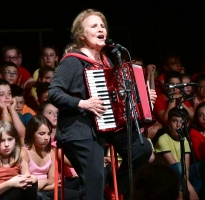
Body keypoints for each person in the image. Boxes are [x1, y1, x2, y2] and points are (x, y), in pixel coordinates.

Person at [48, 9, 155, 199]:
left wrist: (142, 98)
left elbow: (116, 98)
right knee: (94, 174)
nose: (101, 29)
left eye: (102, 25)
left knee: (142, 148)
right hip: (79, 129)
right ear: (81, 35)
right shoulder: (72, 62)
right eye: (94, 26)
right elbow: (54, 93)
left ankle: (114, 188)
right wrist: (82, 103)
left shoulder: (106, 61)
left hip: (106, 125)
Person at [21, 115, 79, 200]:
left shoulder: (51, 151)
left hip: (47, 188)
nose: (46, 138)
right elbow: (28, 184)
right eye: (41, 134)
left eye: (48, 134)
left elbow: (52, 179)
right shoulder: (24, 153)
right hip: (32, 193)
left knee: (79, 195)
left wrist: (44, 182)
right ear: (31, 134)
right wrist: (49, 185)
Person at [0, 121, 37, 200]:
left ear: (15, 140)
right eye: (2, 140)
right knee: (14, 190)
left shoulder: (20, 158)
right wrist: (11, 183)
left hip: (14, 194)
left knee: (32, 185)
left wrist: (33, 179)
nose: (6, 144)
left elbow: (27, 180)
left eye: (10, 139)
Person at [154, 107, 198, 200]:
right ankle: (188, 193)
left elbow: (186, 167)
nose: (178, 125)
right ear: (169, 123)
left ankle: (186, 192)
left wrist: (187, 187)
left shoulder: (185, 140)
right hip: (168, 175)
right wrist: (191, 190)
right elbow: (174, 165)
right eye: (175, 121)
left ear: (187, 124)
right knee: (179, 166)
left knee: (200, 167)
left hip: (182, 177)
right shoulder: (163, 139)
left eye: (182, 122)